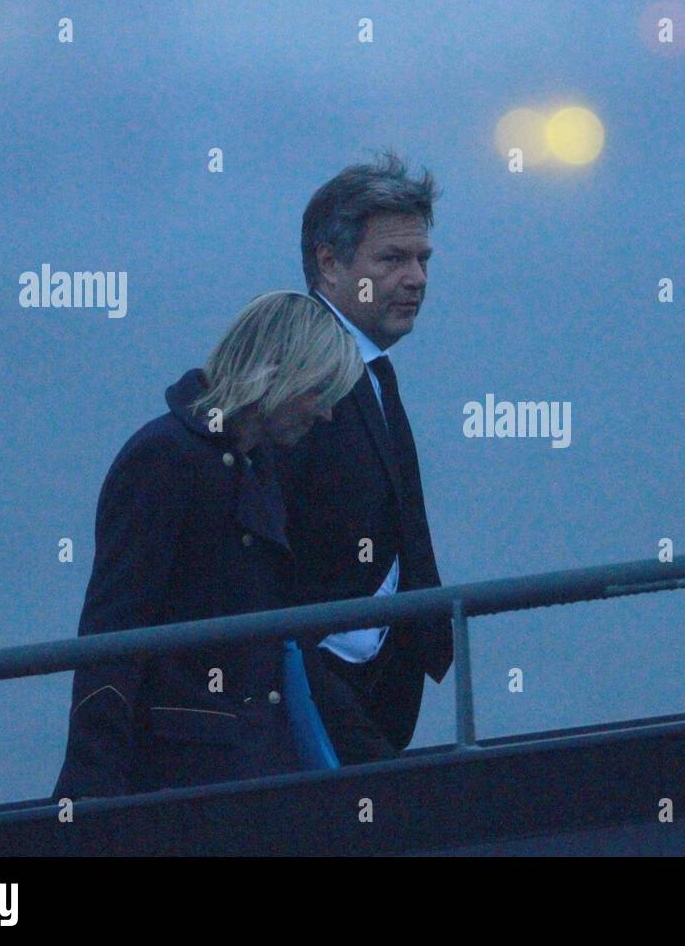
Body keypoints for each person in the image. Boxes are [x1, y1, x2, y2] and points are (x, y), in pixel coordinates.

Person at [53, 291, 363, 799]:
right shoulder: (163, 458)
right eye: (319, 391)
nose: (327, 414)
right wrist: (94, 790)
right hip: (183, 777)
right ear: (278, 371)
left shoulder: (256, 465)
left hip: (250, 769)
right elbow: (112, 634)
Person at [279, 151, 452, 765]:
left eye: (422, 260)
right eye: (392, 259)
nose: (416, 278)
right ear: (329, 264)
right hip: (316, 690)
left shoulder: (371, 366)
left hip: (379, 682)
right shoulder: (295, 378)